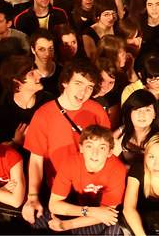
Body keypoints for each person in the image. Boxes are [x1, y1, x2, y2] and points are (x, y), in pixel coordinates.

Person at [23, 60, 110, 224]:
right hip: (60, 190)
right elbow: (36, 160)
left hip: (92, 188)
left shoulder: (97, 111)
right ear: (64, 83)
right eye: (78, 83)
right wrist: (32, 196)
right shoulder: (43, 115)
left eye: (89, 87)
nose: (83, 92)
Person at [42, 125, 127, 235]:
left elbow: (108, 214)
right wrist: (90, 211)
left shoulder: (117, 169)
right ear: (81, 148)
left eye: (102, 148)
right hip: (82, 210)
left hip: (102, 219)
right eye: (89, 146)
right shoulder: (71, 163)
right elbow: (54, 205)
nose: (95, 153)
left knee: (114, 227)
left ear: (110, 152)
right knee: (40, 217)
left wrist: (66, 225)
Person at [113, 89, 159, 166]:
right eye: (136, 109)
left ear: (154, 114)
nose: (141, 114)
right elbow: (110, 161)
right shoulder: (121, 132)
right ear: (129, 113)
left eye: (147, 110)